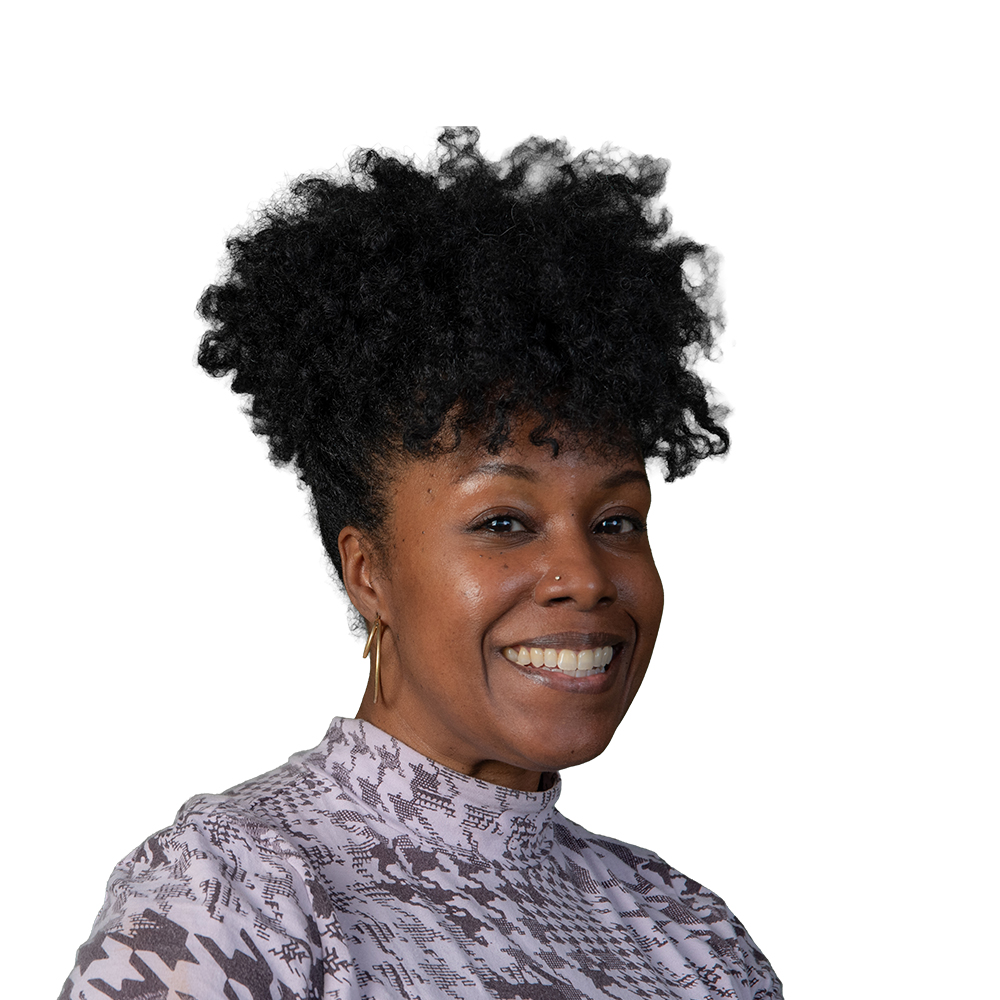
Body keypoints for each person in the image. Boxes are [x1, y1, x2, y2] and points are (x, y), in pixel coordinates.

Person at [60, 127, 781, 999]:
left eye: (617, 520)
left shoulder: (687, 934)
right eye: (505, 522)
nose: (588, 577)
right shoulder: (235, 894)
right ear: (369, 573)